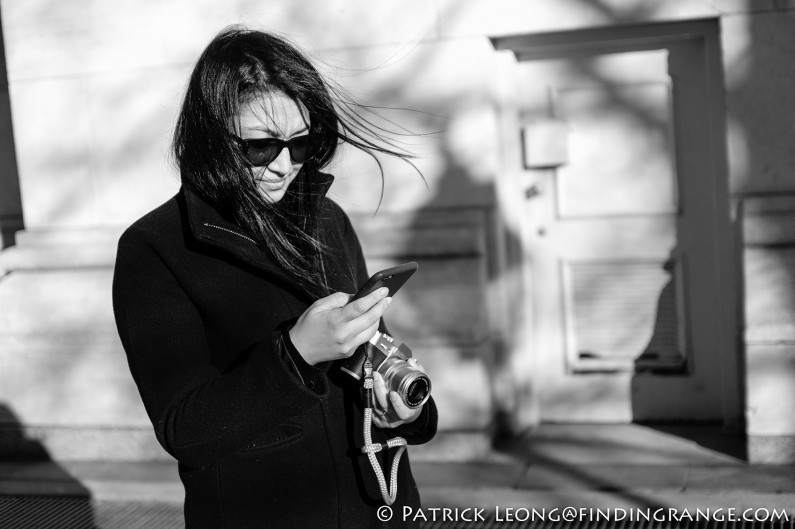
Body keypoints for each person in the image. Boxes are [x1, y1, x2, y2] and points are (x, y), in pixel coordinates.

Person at [112, 26, 438, 528]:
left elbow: (374, 348)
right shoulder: (155, 247)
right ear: (210, 136)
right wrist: (296, 353)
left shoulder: (329, 218)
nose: (284, 165)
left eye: (302, 143)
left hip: (382, 505)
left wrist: (403, 408)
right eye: (260, 147)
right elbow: (184, 428)